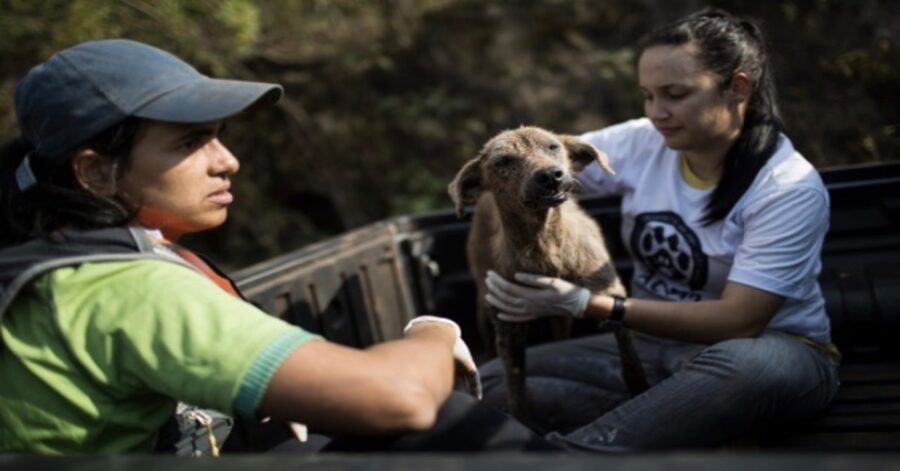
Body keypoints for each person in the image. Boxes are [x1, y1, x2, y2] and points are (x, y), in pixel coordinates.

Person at [0, 39, 552, 455]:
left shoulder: (52, 263)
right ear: (96, 172)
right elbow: (400, 394)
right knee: (452, 421)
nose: (228, 160)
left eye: (218, 135)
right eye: (192, 142)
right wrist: (435, 331)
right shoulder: (123, 288)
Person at [480, 8, 841, 451]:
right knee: (490, 379)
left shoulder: (786, 187)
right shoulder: (645, 139)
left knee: (750, 367)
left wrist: (587, 303)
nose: (657, 113)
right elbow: (541, 165)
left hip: (769, 352)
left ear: (738, 88)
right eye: (648, 95)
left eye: (674, 94)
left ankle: (571, 456)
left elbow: (740, 320)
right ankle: (672, 428)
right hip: (653, 348)